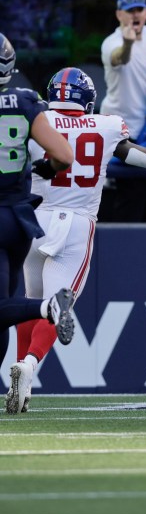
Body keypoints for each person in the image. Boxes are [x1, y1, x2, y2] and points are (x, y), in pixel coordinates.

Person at [5, 67, 146, 414]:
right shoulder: (105, 127)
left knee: (32, 302)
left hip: (34, 220)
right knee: (58, 304)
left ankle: (22, 377)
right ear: (88, 101)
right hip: (76, 224)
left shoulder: (37, 119)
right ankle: (29, 366)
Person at [0, 33, 77, 391]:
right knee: (4, 306)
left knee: (5, 305)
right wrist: (44, 170)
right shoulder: (26, 101)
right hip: (17, 219)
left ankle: (47, 307)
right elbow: (62, 156)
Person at [100, 0, 146, 221]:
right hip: (118, 130)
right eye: (130, 10)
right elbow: (119, 58)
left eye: (139, 9)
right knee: (127, 195)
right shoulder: (111, 42)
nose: (136, 14)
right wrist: (128, 44)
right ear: (119, 15)